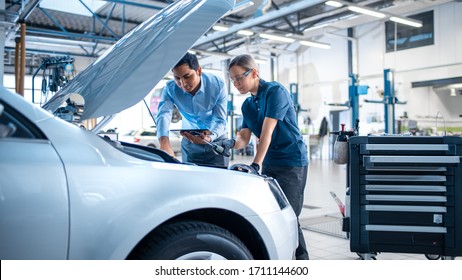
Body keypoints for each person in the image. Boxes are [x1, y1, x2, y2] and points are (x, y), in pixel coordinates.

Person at [228, 54, 309, 260]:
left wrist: (255, 164)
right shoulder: (247, 105)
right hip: (270, 162)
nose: (236, 83)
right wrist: (223, 143)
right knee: (276, 215)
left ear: (254, 72)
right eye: (232, 79)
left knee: (289, 217)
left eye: (239, 78)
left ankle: (302, 262)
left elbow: (267, 132)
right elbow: (243, 139)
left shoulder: (275, 91)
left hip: (292, 161)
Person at [156, 52, 232, 168]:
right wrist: (164, 142)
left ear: (199, 71)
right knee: (190, 180)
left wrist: (209, 137)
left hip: (216, 140)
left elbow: (220, 120)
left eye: (187, 76)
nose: (183, 84)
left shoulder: (218, 85)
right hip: (189, 141)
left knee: (218, 180)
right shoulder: (170, 89)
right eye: (177, 78)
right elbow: (163, 115)